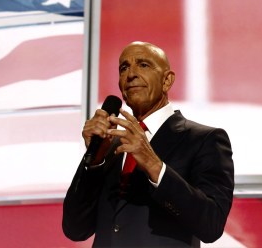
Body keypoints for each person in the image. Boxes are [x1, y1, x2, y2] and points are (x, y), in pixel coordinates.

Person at [63, 41, 234, 247]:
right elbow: (75, 229)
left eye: (143, 65)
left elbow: (211, 225)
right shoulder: (109, 145)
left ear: (167, 80)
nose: (131, 74)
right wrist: (94, 164)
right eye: (124, 68)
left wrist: (154, 166)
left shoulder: (204, 139)